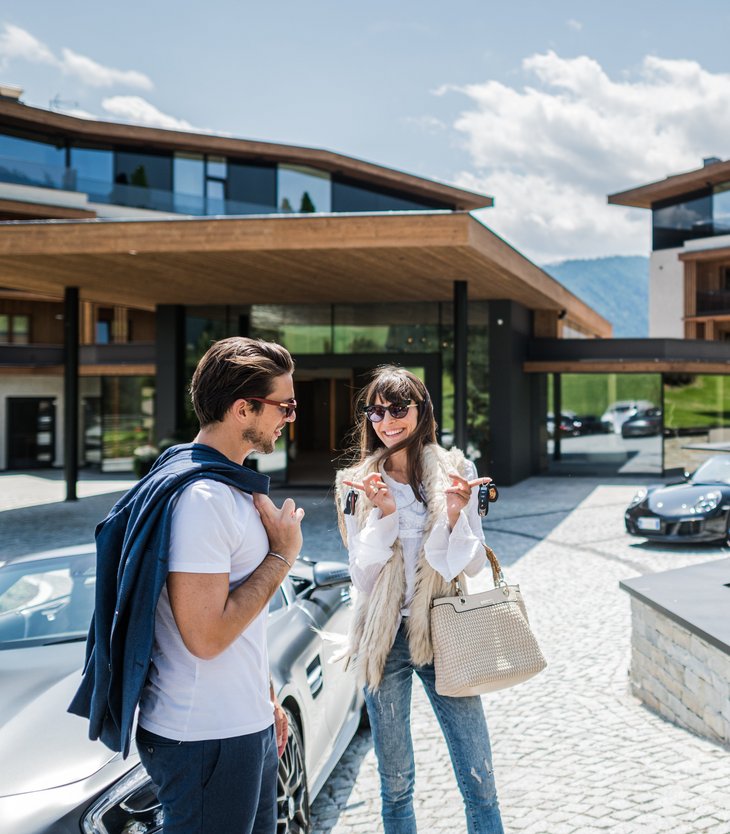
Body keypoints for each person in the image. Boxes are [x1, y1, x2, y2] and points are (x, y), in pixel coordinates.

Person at [69, 337, 305, 834]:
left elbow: (237, 623)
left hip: (242, 726)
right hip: (205, 738)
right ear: (244, 409)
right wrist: (282, 556)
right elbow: (207, 636)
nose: (290, 417)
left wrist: (263, 699)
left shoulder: (223, 484)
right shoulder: (203, 497)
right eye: (285, 406)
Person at [335, 365, 504, 834]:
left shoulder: (456, 472)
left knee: (479, 777)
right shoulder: (357, 482)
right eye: (376, 411)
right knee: (395, 784)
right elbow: (363, 577)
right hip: (382, 642)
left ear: (421, 410)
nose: (387, 421)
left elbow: (469, 567)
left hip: (444, 632)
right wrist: (384, 516)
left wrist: (453, 517)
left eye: (398, 408)